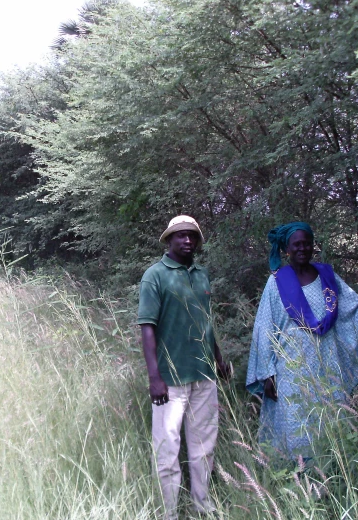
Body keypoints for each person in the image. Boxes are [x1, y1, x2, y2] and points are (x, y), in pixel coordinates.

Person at [246, 222, 358, 459]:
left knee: (332, 419)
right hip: (291, 369)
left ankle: (335, 471)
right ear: (287, 249)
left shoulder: (327, 276)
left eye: (307, 243)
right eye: (297, 244)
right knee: (297, 424)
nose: (303, 248)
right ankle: (299, 478)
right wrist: (267, 373)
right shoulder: (276, 282)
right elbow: (264, 328)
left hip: (328, 365)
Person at [138, 215, 231, 520]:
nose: (187, 240)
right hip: (170, 380)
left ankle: (203, 506)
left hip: (204, 376)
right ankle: (169, 513)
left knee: (204, 450)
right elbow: (147, 328)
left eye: (192, 236)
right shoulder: (155, 275)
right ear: (169, 240)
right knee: (167, 452)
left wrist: (217, 358)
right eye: (180, 236)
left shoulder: (202, 275)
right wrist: (155, 377)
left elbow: (205, 322)